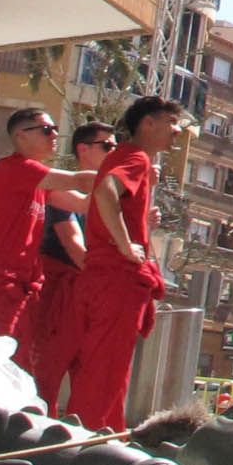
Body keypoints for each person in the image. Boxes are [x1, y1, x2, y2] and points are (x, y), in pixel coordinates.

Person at [57, 97, 179, 432]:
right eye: (170, 121)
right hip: (115, 279)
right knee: (105, 372)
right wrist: (127, 246)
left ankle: (100, 438)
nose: (177, 131)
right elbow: (105, 192)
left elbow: (107, 196)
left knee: (100, 368)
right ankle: (88, 443)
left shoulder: (126, 158)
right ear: (147, 124)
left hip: (102, 277)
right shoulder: (134, 157)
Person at [0, 111, 97, 385]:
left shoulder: (39, 181)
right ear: (20, 135)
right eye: (47, 130)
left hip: (23, 288)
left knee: (18, 367)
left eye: (56, 129)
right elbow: (79, 181)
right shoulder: (14, 168)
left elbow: (83, 203)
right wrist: (128, 171)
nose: (55, 136)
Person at [19, 122, 112, 414]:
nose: (114, 153)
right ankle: (40, 427)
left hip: (90, 294)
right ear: (83, 149)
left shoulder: (100, 198)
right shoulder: (60, 187)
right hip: (61, 291)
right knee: (48, 369)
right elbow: (75, 248)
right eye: (107, 147)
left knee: (91, 374)